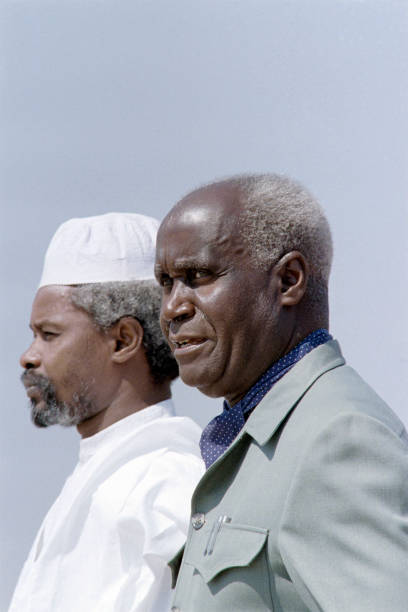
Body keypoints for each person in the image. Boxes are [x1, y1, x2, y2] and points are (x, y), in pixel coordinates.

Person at [155, 174, 408, 612]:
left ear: (289, 280)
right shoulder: (257, 437)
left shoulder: (338, 439)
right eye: (165, 283)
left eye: (198, 276)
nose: (172, 308)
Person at [9, 212, 204, 612]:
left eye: (49, 334)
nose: (28, 357)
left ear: (122, 340)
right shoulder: (103, 474)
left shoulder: (166, 485)